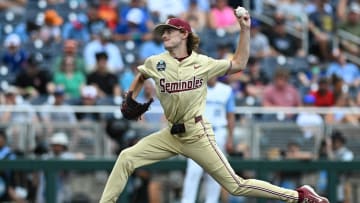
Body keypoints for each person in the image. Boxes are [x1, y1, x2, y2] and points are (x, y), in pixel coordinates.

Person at [99, 11, 329, 203]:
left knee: (236, 185)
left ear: (184, 34)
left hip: (197, 134)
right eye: (162, 32)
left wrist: (244, 30)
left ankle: (298, 196)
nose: (164, 35)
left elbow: (239, 63)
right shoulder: (156, 62)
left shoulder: (203, 63)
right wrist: (131, 97)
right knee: (126, 157)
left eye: (169, 31)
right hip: (170, 134)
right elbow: (141, 75)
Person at [181, 76, 235, 203]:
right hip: (198, 134)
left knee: (215, 174)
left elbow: (230, 116)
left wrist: (230, 139)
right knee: (193, 172)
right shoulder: (195, 89)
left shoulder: (226, 90)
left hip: (218, 132)